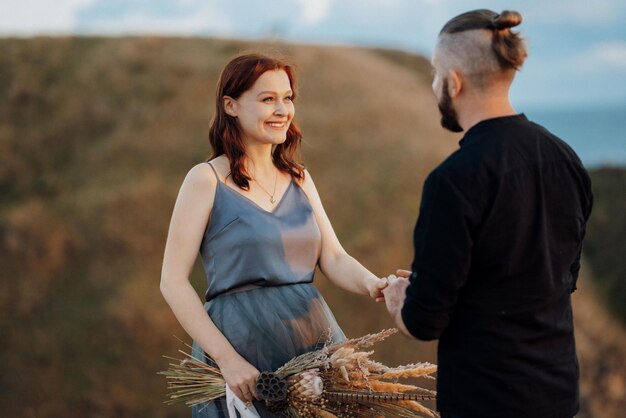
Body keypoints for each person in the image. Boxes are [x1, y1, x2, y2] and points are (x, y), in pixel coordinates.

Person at [383, 9, 593, 418]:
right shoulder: (565, 158)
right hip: (558, 392)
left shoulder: (453, 181)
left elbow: (422, 324)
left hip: (486, 399)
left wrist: (401, 300)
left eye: (435, 73)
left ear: (454, 81)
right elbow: (553, 278)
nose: (435, 85)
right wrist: (435, 282)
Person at [160, 53, 387, 417]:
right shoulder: (205, 180)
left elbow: (334, 258)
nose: (282, 109)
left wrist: (375, 284)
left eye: (288, 98)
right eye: (268, 99)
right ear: (230, 106)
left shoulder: (299, 177)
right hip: (242, 350)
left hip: (312, 344)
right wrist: (228, 361)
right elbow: (172, 282)